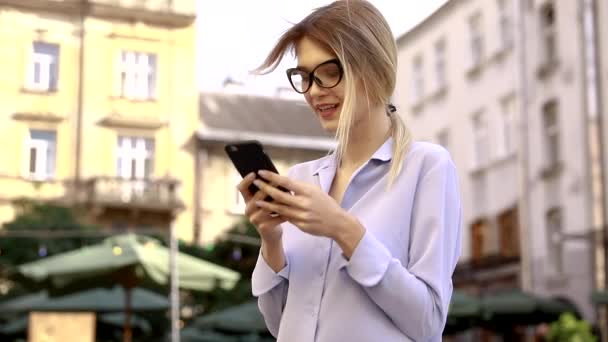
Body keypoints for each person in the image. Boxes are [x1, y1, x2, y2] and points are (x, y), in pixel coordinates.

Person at [237, 1, 462, 341]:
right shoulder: (299, 179)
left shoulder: (427, 168)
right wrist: (271, 240)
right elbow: (277, 322)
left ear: (372, 68)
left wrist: (344, 230)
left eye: (329, 72)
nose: (313, 90)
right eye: (304, 77)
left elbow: (428, 322)